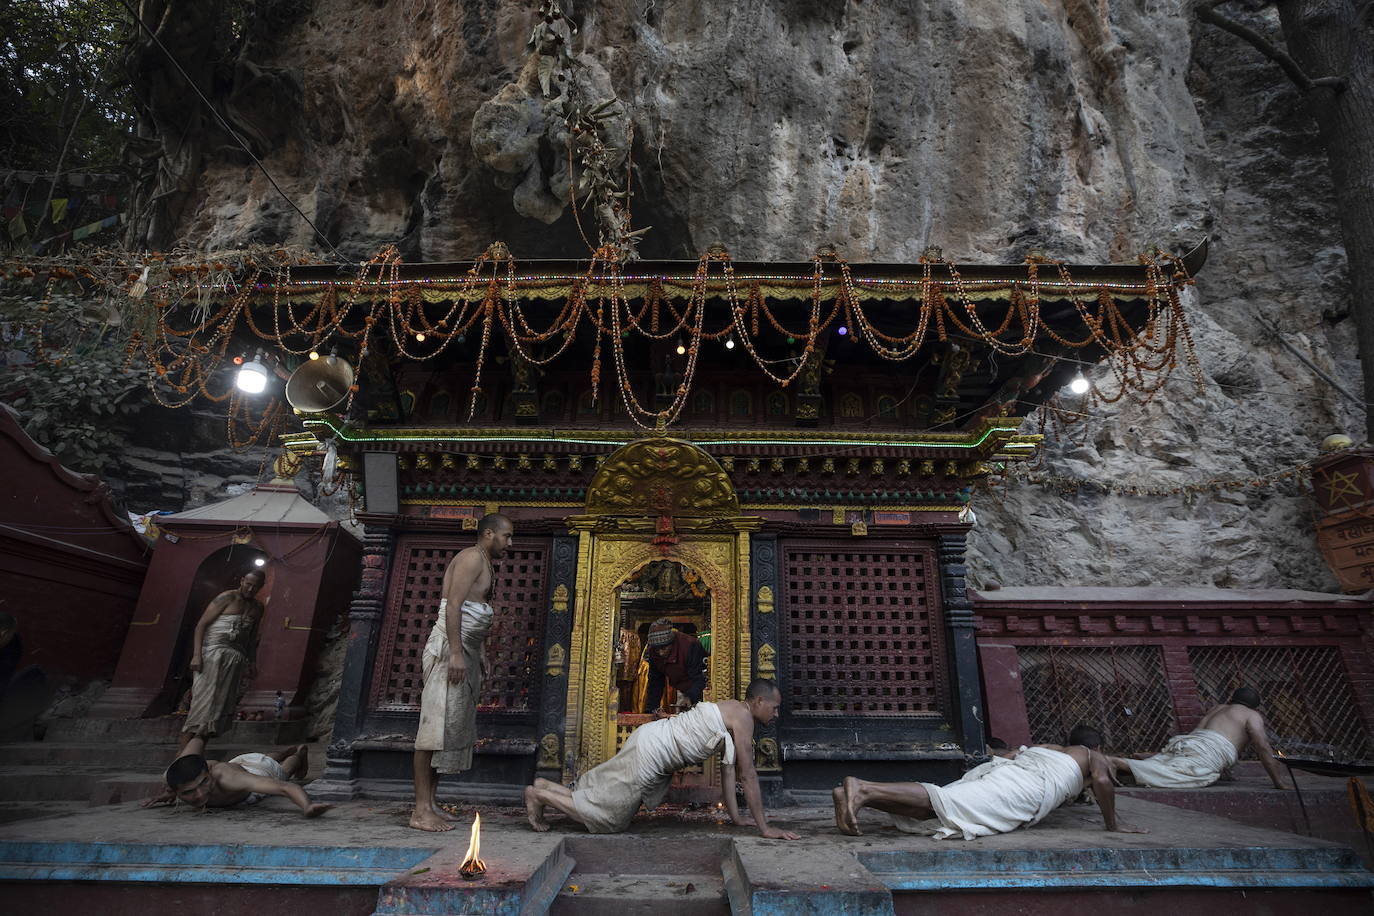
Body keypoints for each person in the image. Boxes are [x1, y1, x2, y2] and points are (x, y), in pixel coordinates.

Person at [525, 678, 799, 840]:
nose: (775, 715)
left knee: (604, 793)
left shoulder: (733, 711)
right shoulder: (743, 717)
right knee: (611, 819)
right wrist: (765, 828)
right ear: (759, 701)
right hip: (651, 754)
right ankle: (540, 797)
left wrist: (737, 818)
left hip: (649, 739)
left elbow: (730, 772)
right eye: (774, 709)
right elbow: (748, 774)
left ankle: (545, 787)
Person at [833, 724, 1147, 839]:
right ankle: (863, 787)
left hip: (1004, 772)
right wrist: (1113, 823)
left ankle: (861, 798)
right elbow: (1104, 782)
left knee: (947, 810)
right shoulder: (1095, 757)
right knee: (948, 806)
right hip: (1024, 786)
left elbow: (1008, 755)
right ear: (1098, 747)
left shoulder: (1049, 748)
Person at [409, 513, 514, 832]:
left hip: (465, 650)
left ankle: (432, 804)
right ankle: (420, 810)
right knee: (432, 731)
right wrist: (455, 652)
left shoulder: (484, 561)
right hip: (448, 651)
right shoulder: (471, 558)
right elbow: (453, 606)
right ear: (488, 534)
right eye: (506, 536)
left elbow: (472, 610)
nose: (510, 543)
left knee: (446, 730)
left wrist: (477, 651)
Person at [1110, 687, 1289, 790]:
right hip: (1203, 751)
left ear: (1231, 698)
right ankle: (1114, 762)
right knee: (1180, 776)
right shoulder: (1252, 715)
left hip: (1188, 743)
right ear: (1255, 707)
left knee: (1163, 766)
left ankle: (1133, 764)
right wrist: (1278, 782)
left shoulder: (1218, 708)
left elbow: (1201, 734)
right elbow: (1262, 746)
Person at [180, 569, 266, 750]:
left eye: (255, 587)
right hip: (212, 654)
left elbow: (251, 639)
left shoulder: (258, 608)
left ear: (261, 587)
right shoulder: (226, 598)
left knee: (218, 709)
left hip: (235, 659)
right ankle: (181, 754)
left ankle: (197, 753)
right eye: (248, 584)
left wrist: (252, 662)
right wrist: (197, 655)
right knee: (202, 706)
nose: (250, 589)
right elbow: (201, 625)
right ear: (242, 580)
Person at [141, 736, 329, 816]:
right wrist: (171, 793)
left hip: (259, 771)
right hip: (240, 762)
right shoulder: (171, 776)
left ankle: (299, 753)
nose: (198, 795)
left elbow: (285, 788)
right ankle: (280, 752)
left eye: (204, 783)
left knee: (284, 771)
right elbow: (197, 740)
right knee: (264, 758)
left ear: (209, 774)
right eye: (188, 792)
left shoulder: (229, 779)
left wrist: (307, 806)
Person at [642, 617, 707, 713]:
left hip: (699, 689)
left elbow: (699, 679)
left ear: (671, 643)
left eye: (664, 648)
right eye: (657, 649)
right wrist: (651, 710)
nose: (660, 652)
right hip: (680, 688)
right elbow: (655, 683)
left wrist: (689, 696)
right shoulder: (653, 652)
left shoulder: (691, 646)